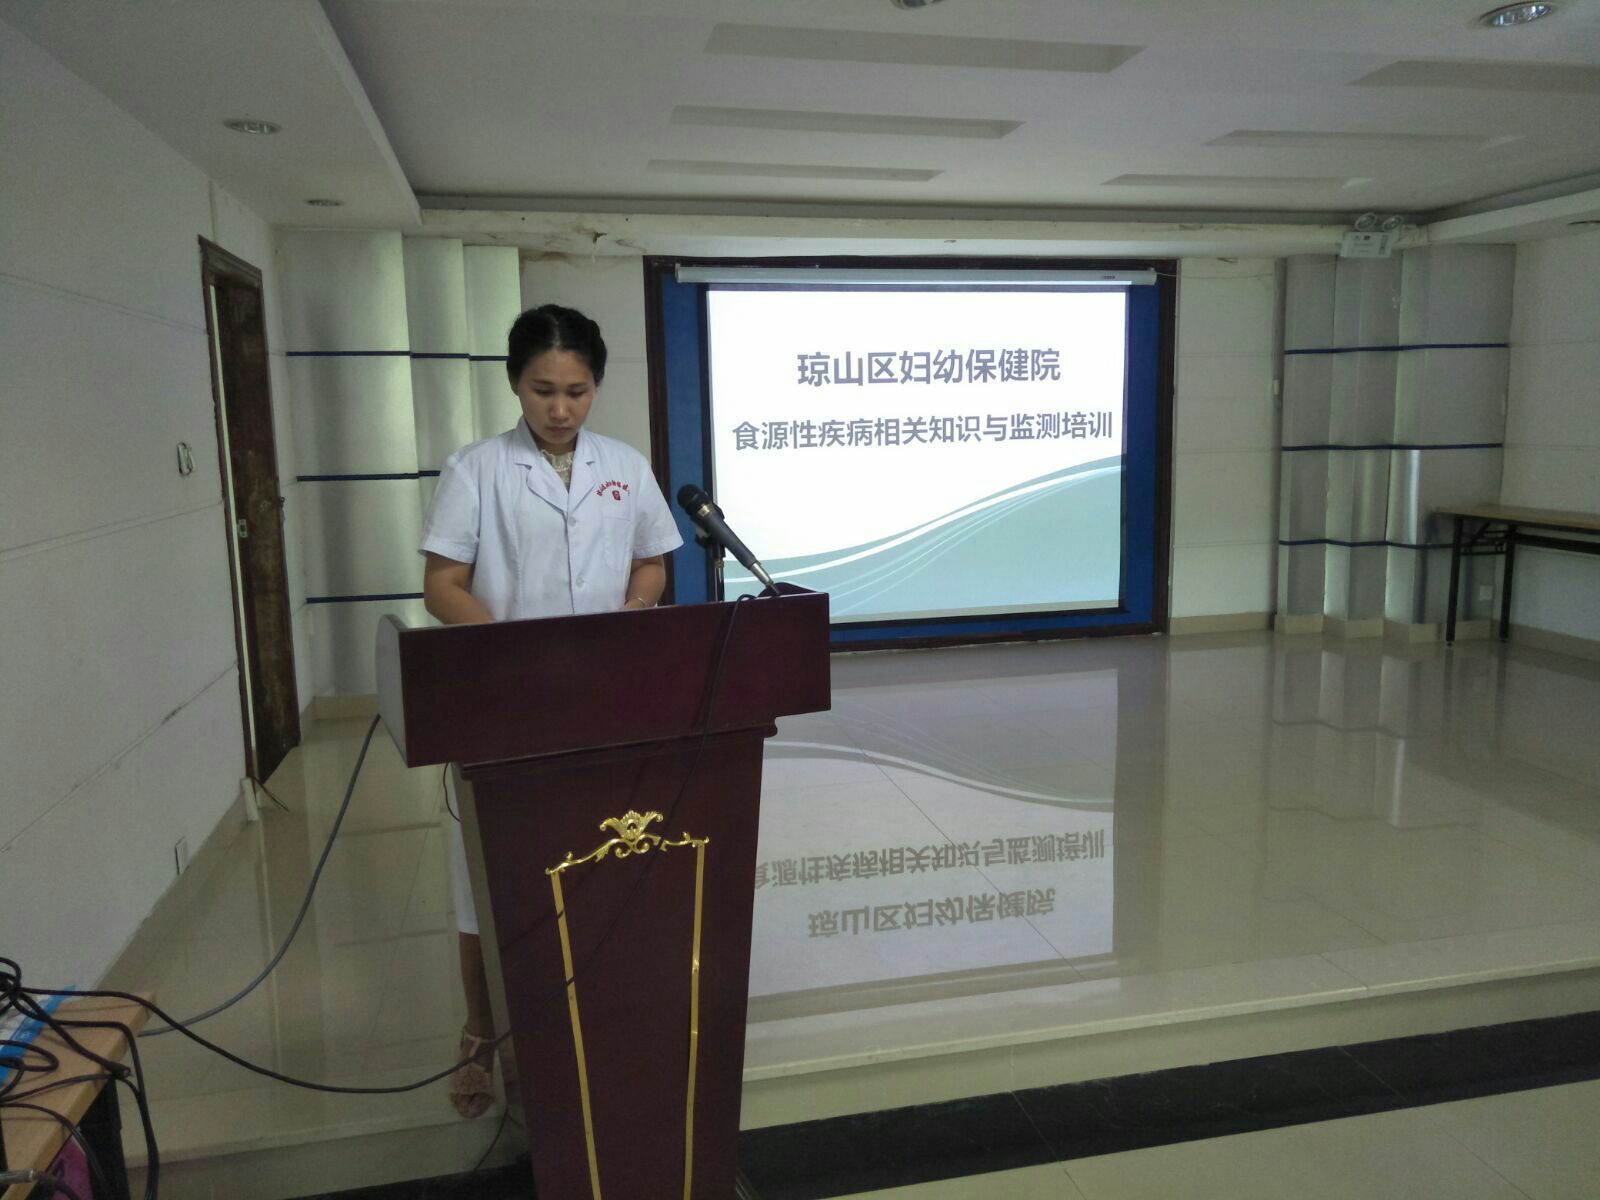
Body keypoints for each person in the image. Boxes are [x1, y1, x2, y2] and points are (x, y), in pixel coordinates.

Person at [417, 304, 683, 1118]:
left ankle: (597, 1013)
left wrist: (633, 614)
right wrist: (513, 652)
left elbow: (652, 561)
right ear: (514, 384)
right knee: (485, 878)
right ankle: (479, 1034)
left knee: (600, 852)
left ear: (596, 387)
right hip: (504, 701)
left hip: (605, 699)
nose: (560, 409)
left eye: (576, 391)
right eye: (543, 391)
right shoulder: (476, 469)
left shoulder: (624, 464)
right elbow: (442, 586)